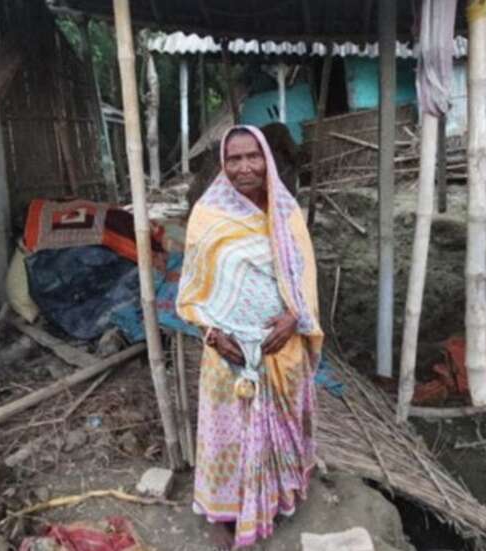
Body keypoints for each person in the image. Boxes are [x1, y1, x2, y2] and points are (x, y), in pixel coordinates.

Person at [176, 125, 324, 548]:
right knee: (232, 435)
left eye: (252, 157)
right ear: (222, 165)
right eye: (233, 159)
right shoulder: (207, 216)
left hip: (281, 348)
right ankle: (232, 509)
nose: (244, 167)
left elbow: (304, 278)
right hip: (228, 355)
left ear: (267, 160)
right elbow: (193, 288)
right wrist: (211, 333)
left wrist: (294, 317)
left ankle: (276, 500)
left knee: (284, 427)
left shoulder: (286, 213)